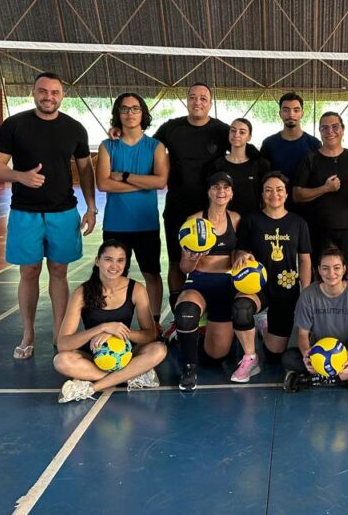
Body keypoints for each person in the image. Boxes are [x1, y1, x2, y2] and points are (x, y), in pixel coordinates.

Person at [0, 72, 97, 360]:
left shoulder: (75, 128)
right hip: (25, 212)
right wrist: (20, 176)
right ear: (33, 92)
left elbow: (86, 170)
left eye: (54, 92)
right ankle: (28, 333)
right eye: (43, 91)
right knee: (29, 272)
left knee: (59, 272)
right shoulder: (14, 125)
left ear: (62, 95)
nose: (49, 97)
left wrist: (91, 207)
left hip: (63, 212)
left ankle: (60, 334)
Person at [173, 172, 263, 391]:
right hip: (199, 282)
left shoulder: (236, 219)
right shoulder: (193, 221)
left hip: (227, 284)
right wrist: (193, 258)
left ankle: (207, 334)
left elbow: (240, 250)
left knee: (215, 356)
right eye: (216, 187)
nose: (221, 191)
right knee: (186, 314)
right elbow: (184, 268)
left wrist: (241, 254)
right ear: (208, 192)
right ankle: (188, 367)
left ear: (231, 194)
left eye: (226, 187)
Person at [53, 239, 167, 402]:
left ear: (126, 264)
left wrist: (118, 332)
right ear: (97, 261)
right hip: (93, 356)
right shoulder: (81, 293)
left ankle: (91, 388)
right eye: (108, 259)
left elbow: (150, 335)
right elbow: (63, 344)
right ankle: (132, 375)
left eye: (120, 260)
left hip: (126, 355)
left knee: (159, 349)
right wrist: (103, 328)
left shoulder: (136, 289)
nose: (114, 266)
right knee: (61, 361)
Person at [152, 83, 231, 317]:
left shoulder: (222, 130)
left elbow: (244, 152)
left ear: (210, 103)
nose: (198, 102)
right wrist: (117, 130)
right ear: (187, 100)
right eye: (193, 97)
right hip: (177, 207)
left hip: (210, 210)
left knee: (207, 262)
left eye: (203, 98)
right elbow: (145, 147)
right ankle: (179, 316)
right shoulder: (171, 128)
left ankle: (208, 314)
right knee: (177, 262)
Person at [96, 93, 168, 330]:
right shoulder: (107, 146)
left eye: (135, 108)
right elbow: (103, 184)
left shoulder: (156, 147)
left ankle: (154, 324)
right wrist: (143, 182)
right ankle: (113, 325)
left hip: (146, 224)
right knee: (112, 276)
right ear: (118, 114)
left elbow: (160, 182)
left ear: (143, 113)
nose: (130, 113)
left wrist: (125, 176)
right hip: (116, 224)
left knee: (152, 274)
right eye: (124, 109)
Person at [281, 247, 348, 390]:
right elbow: (302, 335)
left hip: (347, 353)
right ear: (319, 270)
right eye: (325, 268)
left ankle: (310, 381)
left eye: (336, 268)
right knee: (289, 358)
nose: (331, 273)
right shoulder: (308, 296)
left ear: (344, 269)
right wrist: (307, 356)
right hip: (319, 355)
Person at [237, 171, 312, 361]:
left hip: (286, 288)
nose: (274, 194)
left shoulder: (298, 223)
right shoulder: (251, 220)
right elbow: (239, 252)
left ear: (286, 193)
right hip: (257, 287)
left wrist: (306, 290)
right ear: (262, 194)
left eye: (279, 189)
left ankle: (265, 328)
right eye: (268, 190)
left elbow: (304, 259)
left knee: (274, 355)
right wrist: (242, 255)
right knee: (241, 308)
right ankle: (249, 357)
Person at [292, 111, 348, 273]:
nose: (330, 131)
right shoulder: (310, 159)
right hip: (318, 228)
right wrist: (325, 188)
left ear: (342, 129)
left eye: (335, 127)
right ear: (320, 132)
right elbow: (297, 195)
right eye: (325, 128)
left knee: (345, 274)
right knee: (321, 275)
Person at [208, 118, 271, 217]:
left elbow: (265, 195)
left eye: (242, 132)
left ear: (249, 137)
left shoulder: (259, 165)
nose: (236, 134)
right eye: (233, 131)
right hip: (225, 220)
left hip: (252, 219)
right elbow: (211, 195)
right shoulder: (217, 164)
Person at [260, 92, 321, 181]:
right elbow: (264, 176)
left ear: (302, 113)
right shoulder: (268, 143)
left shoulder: (314, 144)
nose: (291, 114)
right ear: (280, 113)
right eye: (286, 110)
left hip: (305, 190)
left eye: (296, 110)